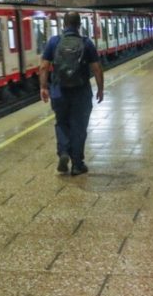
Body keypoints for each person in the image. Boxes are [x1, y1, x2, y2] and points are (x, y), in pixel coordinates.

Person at [39, 12, 104, 176]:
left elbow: (43, 67)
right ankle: (77, 164)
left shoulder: (54, 42)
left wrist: (43, 87)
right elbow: (96, 68)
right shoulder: (86, 43)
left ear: (63, 25)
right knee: (79, 127)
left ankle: (63, 153)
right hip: (81, 91)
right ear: (79, 25)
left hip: (59, 91)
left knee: (61, 123)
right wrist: (100, 89)